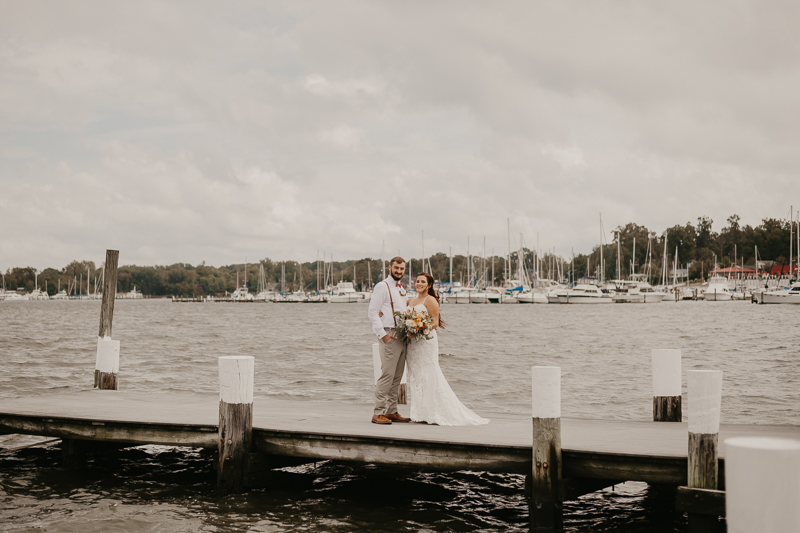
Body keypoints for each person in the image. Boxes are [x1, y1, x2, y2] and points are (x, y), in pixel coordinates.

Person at [405, 273, 489, 426]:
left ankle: (434, 412)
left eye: (423, 282)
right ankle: (420, 412)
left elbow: (435, 323)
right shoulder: (410, 300)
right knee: (416, 375)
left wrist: (418, 330)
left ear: (429, 285)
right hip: (413, 345)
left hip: (425, 342)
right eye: (417, 281)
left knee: (429, 374)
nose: (419, 284)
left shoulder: (430, 300)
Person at [367, 257, 411, 425]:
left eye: (401, 269)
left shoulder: (400, 288)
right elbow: (372, 311)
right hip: (389, 334)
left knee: (397, 376)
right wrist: (381, 334)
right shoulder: (382, 286)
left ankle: (391, 411)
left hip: (403, 334)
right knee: (387, 375)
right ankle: (378, 412)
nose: (399, 271)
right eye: (396, 268)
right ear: (390, 268)